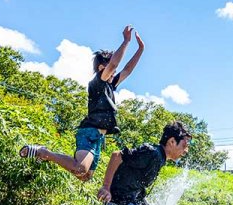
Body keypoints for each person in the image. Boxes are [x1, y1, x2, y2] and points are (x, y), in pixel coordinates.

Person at [19, 25, 144, 181]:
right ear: (101, 68)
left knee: (84, 177)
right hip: (89, 132)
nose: (114, 72)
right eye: (110, 69)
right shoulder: (97, 82)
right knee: (80, 168)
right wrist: (126, 41)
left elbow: (127, 70)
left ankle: (47, 154)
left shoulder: (111, 85)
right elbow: (114, 65)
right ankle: (44, 153)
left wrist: (140, 49)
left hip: (99, 137)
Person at [97, 121, 192, 205]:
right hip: (118, 203)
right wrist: (106, 187)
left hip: (132, 201)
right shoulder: (152, 153)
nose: (186, 151)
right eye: (184, 146)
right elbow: (117, 155)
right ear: (172, 141)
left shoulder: (159, 157)